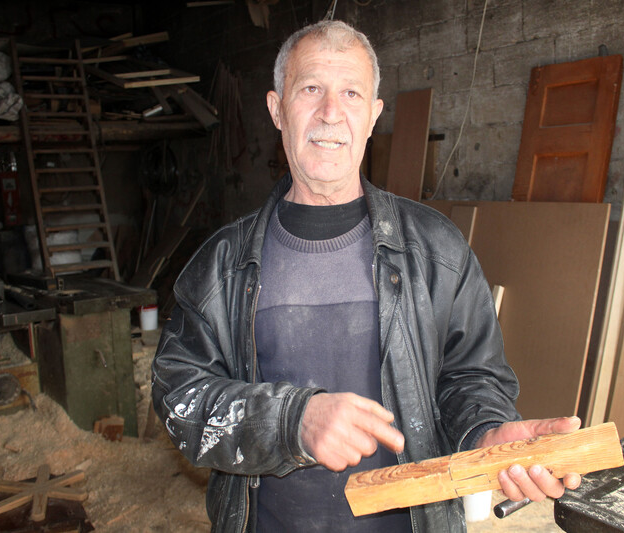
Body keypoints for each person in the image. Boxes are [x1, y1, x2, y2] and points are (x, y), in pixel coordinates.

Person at [152, 19, 581, 533]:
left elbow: (472, 375)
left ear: (374, 115)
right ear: (276, 110)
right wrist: (292, 421)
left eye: (351, 93)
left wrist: (486, 433)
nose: (331, 113)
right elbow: (178, 395)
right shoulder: (221, 265)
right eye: (310, 89)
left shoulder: (436, 250)